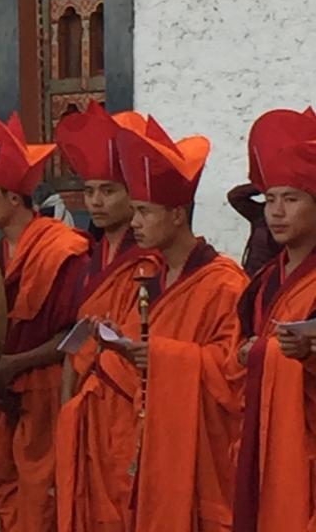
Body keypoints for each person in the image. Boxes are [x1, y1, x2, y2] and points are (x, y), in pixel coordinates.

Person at [100, 117, 246, 532]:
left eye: (144, 212)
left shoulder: (225, 284)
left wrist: (162, 357)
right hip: (149, 446)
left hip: (201, 455)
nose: (135, 223)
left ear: (178, 214)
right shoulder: (153, 278)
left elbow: (234, 372)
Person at [0, 113, 88, 532]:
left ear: (13, 198)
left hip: (47, 394)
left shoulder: (63, 251)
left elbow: (77, 334)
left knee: (44, 504)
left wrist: (15, 363)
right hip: (3, 398)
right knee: (7, 495)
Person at [52, 104, 154, 532]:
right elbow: (74, 344)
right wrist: (65, 409)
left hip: (126, 412)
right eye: (90, 190)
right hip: (85, 407)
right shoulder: (90, 259)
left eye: (108, 190)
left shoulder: (148, 263)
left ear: (133, 196)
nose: (95, 201)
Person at [233, 109, 316, 531]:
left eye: (292, 199)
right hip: (268, 436)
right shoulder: (265, 280)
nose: (277, 213)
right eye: (270, 200)